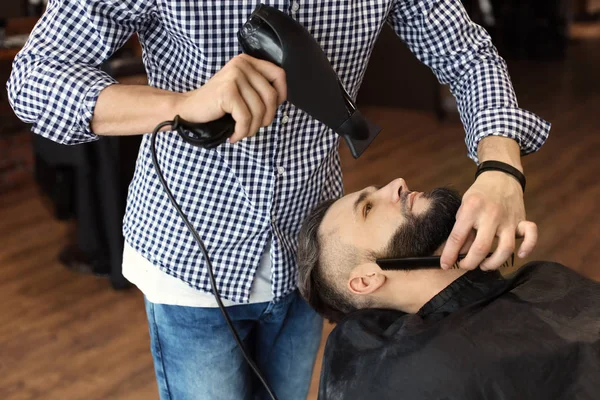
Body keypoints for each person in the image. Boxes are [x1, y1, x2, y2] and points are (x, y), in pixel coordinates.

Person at [7, 1, 551, 399]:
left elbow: (465, 51)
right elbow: (35, 78)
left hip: (309, 254)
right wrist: (181, 104)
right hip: (191, 257)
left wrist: (502, 164)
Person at [296, 178, 600, 400]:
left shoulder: (541, 281)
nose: (397, 183)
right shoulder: (435, 373)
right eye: (368, 209)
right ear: (366, 279)